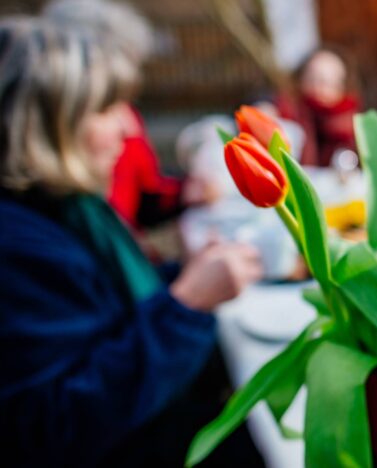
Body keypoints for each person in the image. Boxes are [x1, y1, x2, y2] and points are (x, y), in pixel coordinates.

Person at [0, 18, 263, 465]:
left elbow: (105, 301)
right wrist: (187, 304)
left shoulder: (66, 205)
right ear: (42, 125)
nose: (128, 128)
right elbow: (56, 423)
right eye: (106, 108)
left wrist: (183, 275)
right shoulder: (15, 248)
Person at [43, 0, 219, 232]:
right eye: (106, 104)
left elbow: (146, 197)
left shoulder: (126, 120)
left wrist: (183, 192)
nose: (126, 125)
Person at [275, 47, 361, 167]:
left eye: (328, 83)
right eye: (313, 80)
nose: (320, 89)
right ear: (300, 81)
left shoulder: (356, 130)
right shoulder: (287, 114)